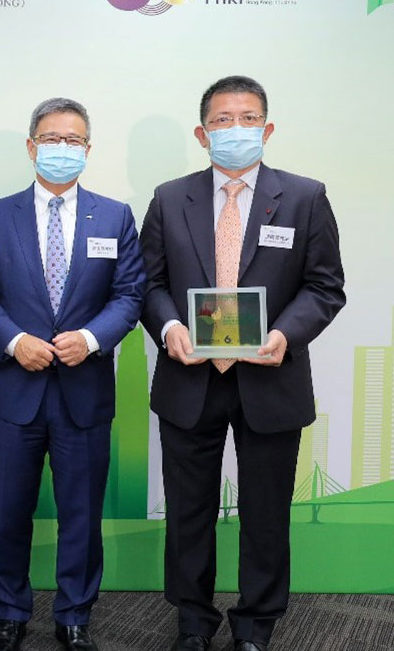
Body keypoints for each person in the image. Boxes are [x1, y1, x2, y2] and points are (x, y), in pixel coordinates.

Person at [140, 76, 346, 651]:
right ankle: (193, 622)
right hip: (190, 379)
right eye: (224, 120)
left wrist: (285, 332)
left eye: (249, 118)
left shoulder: (305, 196)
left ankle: (256, 625)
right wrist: (170, 325)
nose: (237, 130)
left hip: (270, 378)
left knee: (265, 515)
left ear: (268, 128)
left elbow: (325, 287)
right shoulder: (168, 197)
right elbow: (148, 284)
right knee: (188, 514)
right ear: (203, 133)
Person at [0, 98, 145, 651]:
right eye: (51, 138)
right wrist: (16, 341)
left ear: (88, 150)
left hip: (83, 391)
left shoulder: (114, 216)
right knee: (10, 512)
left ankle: (74, 615)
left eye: (73, 140)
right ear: (30, 146)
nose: (61, 149)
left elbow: (130, 293)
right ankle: (10, 613)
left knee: (81, 513)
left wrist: (90, 339)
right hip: (14, 390)